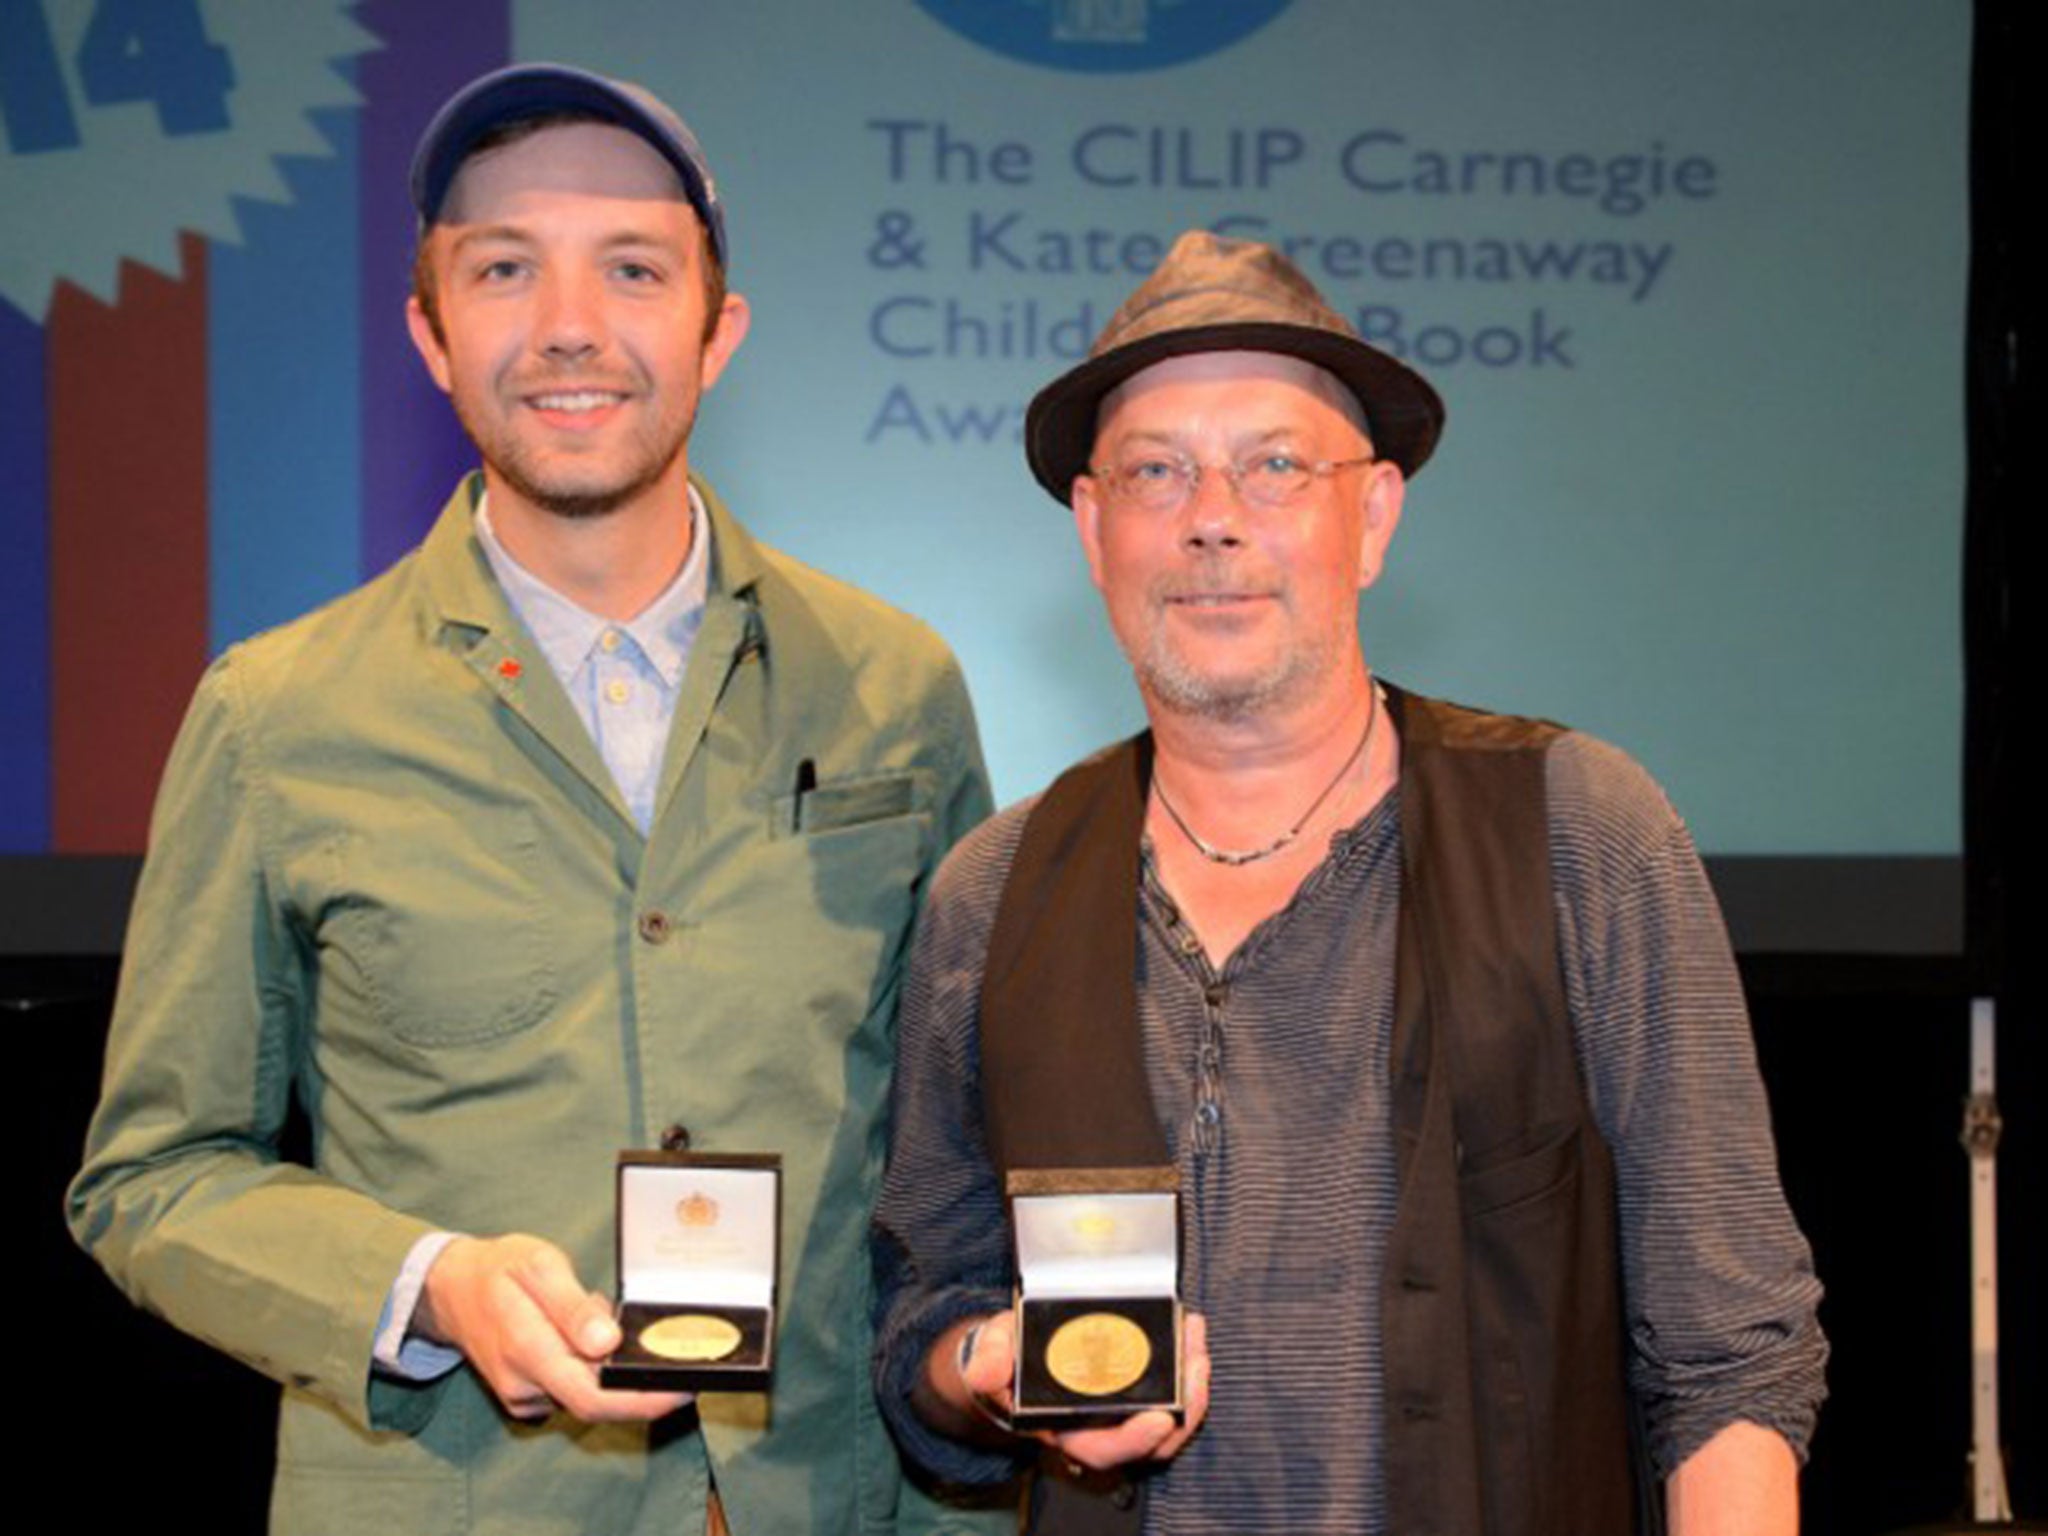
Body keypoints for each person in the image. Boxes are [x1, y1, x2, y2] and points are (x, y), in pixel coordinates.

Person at [69, 63, 992, 1536]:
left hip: (839, 1504)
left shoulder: (897, 684)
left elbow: (960, 1143)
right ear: (431, 336)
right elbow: (152, 1178)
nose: (570, 324)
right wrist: (424, 1284)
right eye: (504, 270)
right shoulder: (274, 716)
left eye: (633, 268)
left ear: (719, 330)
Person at [871, 231, 1826, 1535]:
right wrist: (990, 1373)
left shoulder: (1578, 830)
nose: (1213, 517)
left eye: (1274, 465)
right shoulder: (996, 893)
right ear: (1095, 531)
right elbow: (923, 1319)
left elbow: (1731, 1352)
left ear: (1370, 515)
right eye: (1158, 472)